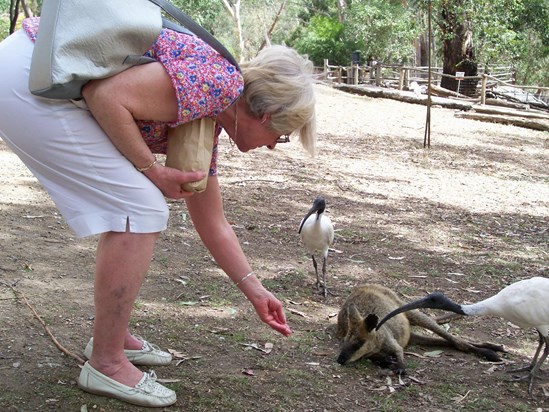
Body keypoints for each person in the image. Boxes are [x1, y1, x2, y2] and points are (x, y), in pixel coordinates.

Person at [0, 17, 316, 408]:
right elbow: (106, 96)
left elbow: (212, 220)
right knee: (140, 206)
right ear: (266, 114)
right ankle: (107, 362)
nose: (272, 147)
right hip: (30, 77)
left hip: (35, 70)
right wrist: (153, 170)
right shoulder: (217, 84)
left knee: (136, 206)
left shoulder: (207, 114)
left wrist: (255, 290)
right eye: (281, 136)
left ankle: (111, 340)